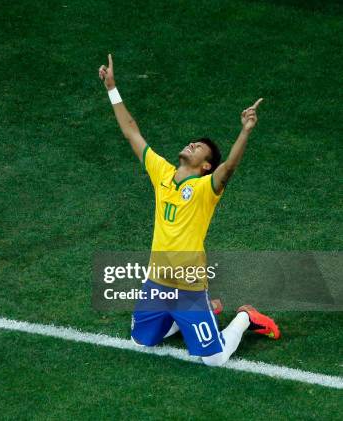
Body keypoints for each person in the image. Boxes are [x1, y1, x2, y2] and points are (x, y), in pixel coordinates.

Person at [98, 54, 280, 366]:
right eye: (192, 143)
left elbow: (229, 168)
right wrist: (112, 88)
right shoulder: (162, 173)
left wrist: (246, 130)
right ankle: (194, 318)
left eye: (200, 148)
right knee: (141, 343)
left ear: (206, 165)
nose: (192, 145)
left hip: (188, 287)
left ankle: (245, 317)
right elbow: (131, 131)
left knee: (215, 359)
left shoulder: (205, 190)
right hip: (156, 283)